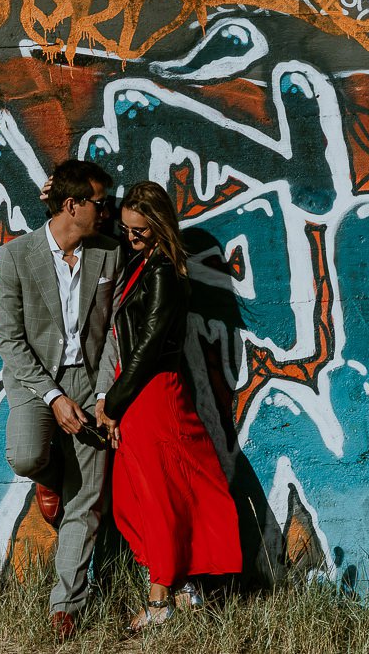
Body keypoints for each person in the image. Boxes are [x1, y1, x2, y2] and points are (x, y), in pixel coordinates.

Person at [96, 181, 242, 632]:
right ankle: (183, 587)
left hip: (152, 393)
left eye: (138, 231)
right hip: (143, 393)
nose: (130, 238)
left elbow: (148, 346)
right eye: (126, 230)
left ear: (158, 227)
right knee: (133, 497)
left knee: (155, 495)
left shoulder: (161, 272)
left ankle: (161, 598)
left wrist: (112, 404)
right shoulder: (144, 264)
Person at [0, 160, 123, 641]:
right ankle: (48, 481)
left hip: (92, 380)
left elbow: (112, 330)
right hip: (34, 381)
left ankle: (65, 606)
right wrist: (53, 397)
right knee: (25, 455)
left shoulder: (108, 255)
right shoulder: (15, 257)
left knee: (86, 499)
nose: (108, 212)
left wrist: (104, 394)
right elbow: (9, 341)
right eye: (100, 203)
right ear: (73, 205)